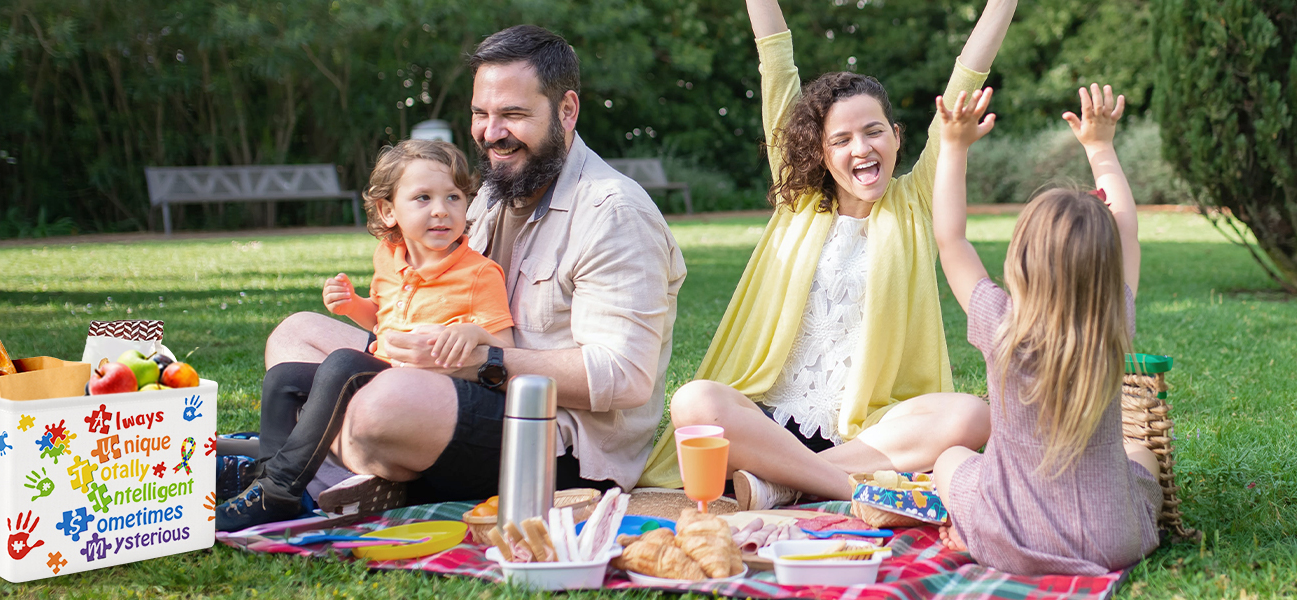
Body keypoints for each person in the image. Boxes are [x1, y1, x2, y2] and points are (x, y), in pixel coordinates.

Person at [258, 25, 686, 511]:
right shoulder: (491, 194)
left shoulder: (613, 212)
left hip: (554, 440)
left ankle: (358, 458)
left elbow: (625, 377)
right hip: (450, 387)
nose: (491, 133)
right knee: (295, 336)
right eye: (480, 114)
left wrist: (484, 362)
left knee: (379, 406)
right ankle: (377, 461)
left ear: (567, 111)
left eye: (513, 115)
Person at [643, 0, 1015, 508]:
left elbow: (966, 80)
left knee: (974, 415)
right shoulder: (798, 199)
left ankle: (784, 482)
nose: (860, 148)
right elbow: (775, 61)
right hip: (768, 420)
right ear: (820, 152)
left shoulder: (917, 202)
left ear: (897, 137)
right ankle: (846, 488)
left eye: (873, 131)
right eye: (840, 139)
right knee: (694, 401)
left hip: (867, 433)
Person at [216, 139, 516, 530]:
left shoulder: (478, 274)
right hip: (383, 370)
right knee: (284, 376)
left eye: (454, 197)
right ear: (388, 210)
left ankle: (279, 489)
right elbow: (383, 320)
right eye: (423, 198)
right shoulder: (388, 257)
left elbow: (505, 347)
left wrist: (474, 334)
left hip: (427, 392)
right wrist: (352, 306)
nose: (441, 210)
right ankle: (268, 483)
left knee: (343, 363)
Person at [930, 83, 1161, 575]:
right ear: (1106, 267)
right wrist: (1100, 147)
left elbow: (950, 241)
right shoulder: (1112, 319)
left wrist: (954, 148)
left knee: (950, 459)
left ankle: (964, 529)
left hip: (1007, 537)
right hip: (1111, 540)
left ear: (1021, 260)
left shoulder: (1001, 323)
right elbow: (1127, 230)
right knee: (1140, 451)